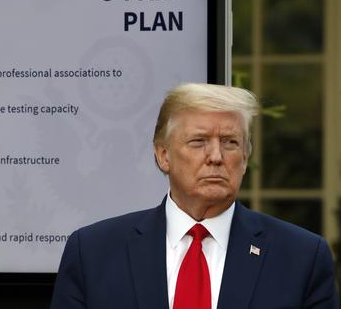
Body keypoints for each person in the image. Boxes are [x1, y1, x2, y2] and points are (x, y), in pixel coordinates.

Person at [50, 83, 338, 309]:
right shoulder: (92, 253)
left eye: (230, 142)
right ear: (163, 155)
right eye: (199, 141)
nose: (216, 156)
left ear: (246, 157)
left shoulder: (301, 258)